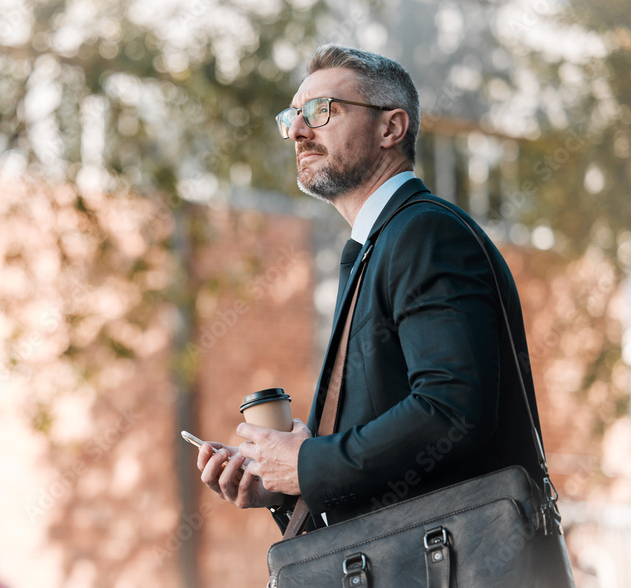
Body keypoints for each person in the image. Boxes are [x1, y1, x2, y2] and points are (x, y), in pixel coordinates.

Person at [196, 44, 547, 531]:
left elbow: (451, 412)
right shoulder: (376, 247)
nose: (298, 131)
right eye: (292, 117)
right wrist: (284, 483)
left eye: (321, 111)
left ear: (391, 127)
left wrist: (308, 464)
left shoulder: (424, 233)